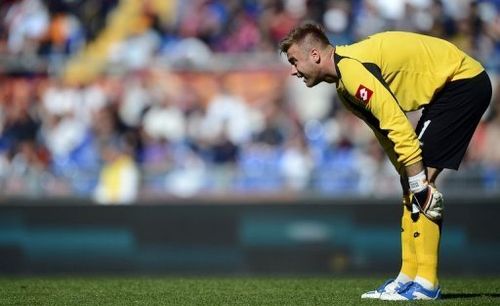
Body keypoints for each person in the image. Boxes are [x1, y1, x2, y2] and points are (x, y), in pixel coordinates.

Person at [279, 23, 492, 301]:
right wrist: (406, 177)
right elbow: (384, 133)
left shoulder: (353, 72)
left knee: (422, 186)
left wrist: (417, 181)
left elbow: (396, 123)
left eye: (295, 60)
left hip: (462, 83)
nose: (293, 70)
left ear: (315, 55)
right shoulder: (345, 87)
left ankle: (426, 284)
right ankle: (407, 278)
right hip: (450, 87)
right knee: (413, 186)